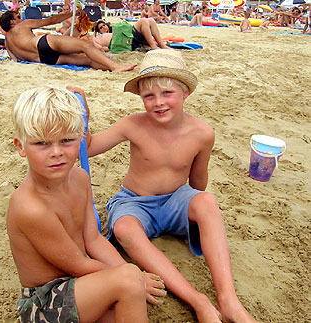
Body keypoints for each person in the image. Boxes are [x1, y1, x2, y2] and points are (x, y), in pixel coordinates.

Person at [86, 49, 258, 323]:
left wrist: (203, 214)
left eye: (168, 93)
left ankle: (229, 301)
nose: (158, 103)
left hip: (176, 198)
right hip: (134, 202)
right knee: (124, 230)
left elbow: (198, 181)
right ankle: (197, 299)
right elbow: (90, 146)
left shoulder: (202, 133)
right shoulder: (133, 125)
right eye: (149, 96)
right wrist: (82, 114)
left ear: (185, 92)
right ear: (141, 98)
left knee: (207, 202)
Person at [7, 85, 166, 323]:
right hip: (45, 301)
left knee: (127, 295)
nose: (56, 152)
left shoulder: (80, 179)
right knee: (128, 282)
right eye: (42, 144)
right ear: (20, 146)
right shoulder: (31, 207)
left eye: (67, 140)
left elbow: (93, 239)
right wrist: (131, 277)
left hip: (78, 284)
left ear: (81, 139)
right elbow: (78, 263)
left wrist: (126, 273)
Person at [0, 10, 136, 72]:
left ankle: (114, 67)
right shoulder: (21, 25)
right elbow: (51, 20)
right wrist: (72, 13)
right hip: (42, 43)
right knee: (84, 45)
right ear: (12, 22)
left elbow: (16, 61)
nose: (20, 18)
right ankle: (114, 66)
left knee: (87, 61)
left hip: (44, 59)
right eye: (17, 16)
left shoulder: (8, 43)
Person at [92, 18, 171, 52]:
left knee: (151, 20)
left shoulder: (113, 30)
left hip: (129, 37)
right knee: (143, 21)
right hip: (126, 42)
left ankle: (162, 45)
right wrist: (94, 34)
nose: (104, 27)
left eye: (104, 25)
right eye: (101, 28)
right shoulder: (97, 38)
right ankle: (153, 46)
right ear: (99, 31)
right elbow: (101, 48)